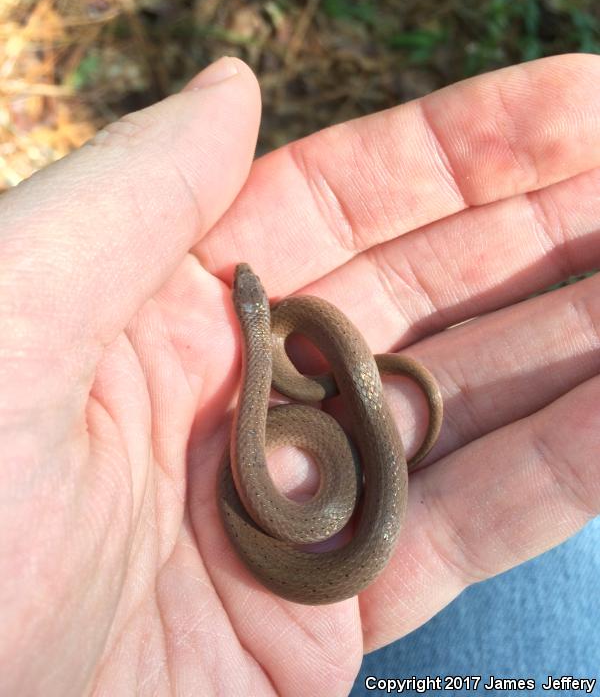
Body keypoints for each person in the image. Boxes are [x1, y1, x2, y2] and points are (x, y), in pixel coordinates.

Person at [0, 54, 598, 696]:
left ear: (244, 313)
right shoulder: (275, 379)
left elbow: (281, 360)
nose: (247, 288)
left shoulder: (277, 367)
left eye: (247, 294)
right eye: (250, 297)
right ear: (251, 315)